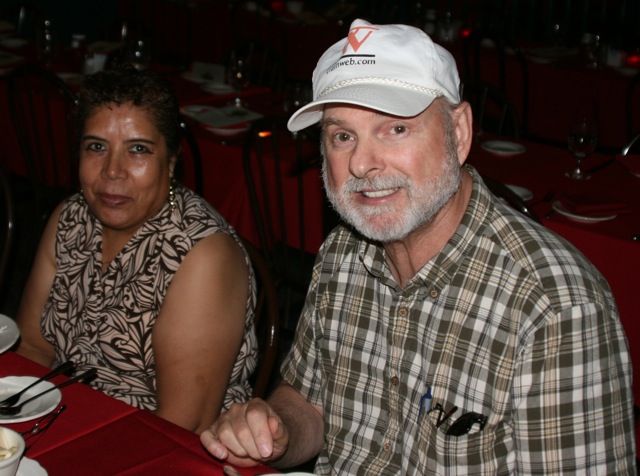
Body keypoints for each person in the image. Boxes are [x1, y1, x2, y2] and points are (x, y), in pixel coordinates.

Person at [200, 19, 636, 473]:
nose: (362, 164)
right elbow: (310, 402)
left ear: (458, 132)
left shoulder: (555, 309)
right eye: (342, 136)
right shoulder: (342, 253)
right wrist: (275, 431)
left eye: (395, 129)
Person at [16, 64, 258, 434]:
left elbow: (181, 426)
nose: (113, 171)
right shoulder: (70, 218)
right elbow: (33, 349)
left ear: (171, 161)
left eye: (138, 149)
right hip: (62, 423)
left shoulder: (201, 255)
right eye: (96, 147)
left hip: (152, 445)